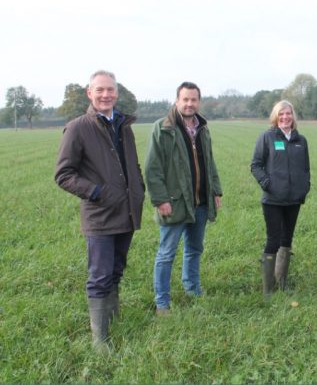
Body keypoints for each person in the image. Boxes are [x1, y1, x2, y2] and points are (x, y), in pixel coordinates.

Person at [55, 70, 145, 351]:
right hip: (100, 216)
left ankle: (113, 318)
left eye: (111, 90)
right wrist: (96, 192)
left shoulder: (123, 125)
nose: (106, 95)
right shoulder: (78, 128)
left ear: (116, 93)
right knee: (100, 276)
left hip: (127, 212)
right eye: (100, 90)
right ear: (89, 93)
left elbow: (132, 165)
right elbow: (63, 174)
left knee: (116, 271)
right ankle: (99, 340)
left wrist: (138, 189)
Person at [145, 81, 222, 316]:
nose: (190, 104)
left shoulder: (202, 128)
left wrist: (215, 191)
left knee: (194, 249)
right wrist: (160, 200)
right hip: (174, 202)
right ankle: (162, 303)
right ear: (177, 100)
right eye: (185, 99)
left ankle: (192, 289)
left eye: (194, 100)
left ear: (199, 102)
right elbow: (152, 169)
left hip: (200, 201)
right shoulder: (163, 128)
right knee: (166, 253)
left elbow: (210, 162)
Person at [250, 100, 311, 295]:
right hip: (273, 200)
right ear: (276, 116)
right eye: (281, 114)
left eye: (288, 114)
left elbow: (306, 168)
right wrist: (268, 185)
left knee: (287, 241)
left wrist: (304, 186)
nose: (285, 117)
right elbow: (256, 165)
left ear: (293, 117)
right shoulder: (267, 137)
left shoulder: (301, 141)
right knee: (273, 241)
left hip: (294, 199)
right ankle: (268, 289)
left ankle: (281, 282)